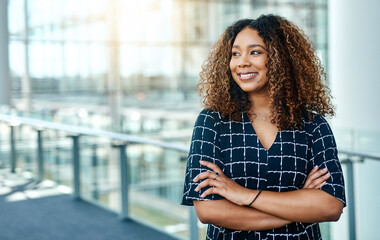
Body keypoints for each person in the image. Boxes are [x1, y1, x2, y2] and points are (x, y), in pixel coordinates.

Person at [181, 14, 345, 240]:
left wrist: (242, 195)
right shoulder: (213, 122)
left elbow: (330, 206)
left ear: (281, 58)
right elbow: (209, 210)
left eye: (255, 52)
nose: (242, 62)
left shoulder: (312, 125)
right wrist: (299, 206)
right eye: (235, 53)